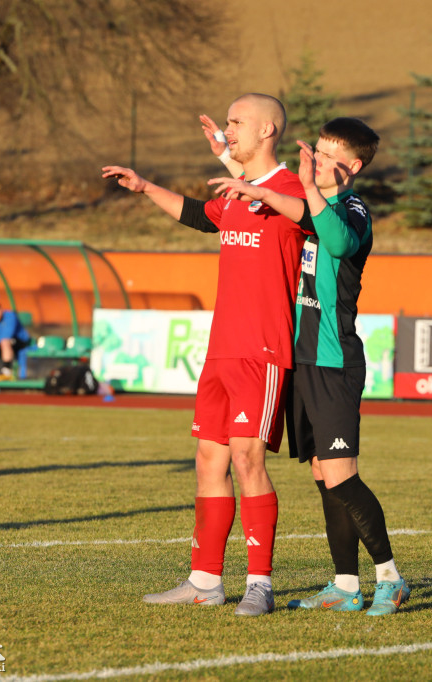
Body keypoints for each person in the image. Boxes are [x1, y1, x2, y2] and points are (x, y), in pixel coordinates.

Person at [102, 93, 312, 617]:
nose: (227, 130)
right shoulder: (237, 194)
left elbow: (312, 215)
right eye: (227, 122)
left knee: (247, 459)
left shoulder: (290, 189)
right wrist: (145, 186)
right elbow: (200, 215)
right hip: (221, 350)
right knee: (208, 461)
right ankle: (204, 581)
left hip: (262, 350)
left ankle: (260, 584)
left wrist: (256, 189)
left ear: (267, 130)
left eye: (237, 122)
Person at [206, 116, 410, 615]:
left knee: (342, 476)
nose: (315, 161)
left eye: (328, 156)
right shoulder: (307, 204)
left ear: (352, 167)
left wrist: (309, 191)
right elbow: (266, 189)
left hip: (334, 361)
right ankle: (345, 585)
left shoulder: (352, 210)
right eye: (315, 151)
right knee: (323, 474)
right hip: (300, 361)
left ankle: (390, 577)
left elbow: (337, 242)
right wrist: (227, 156)